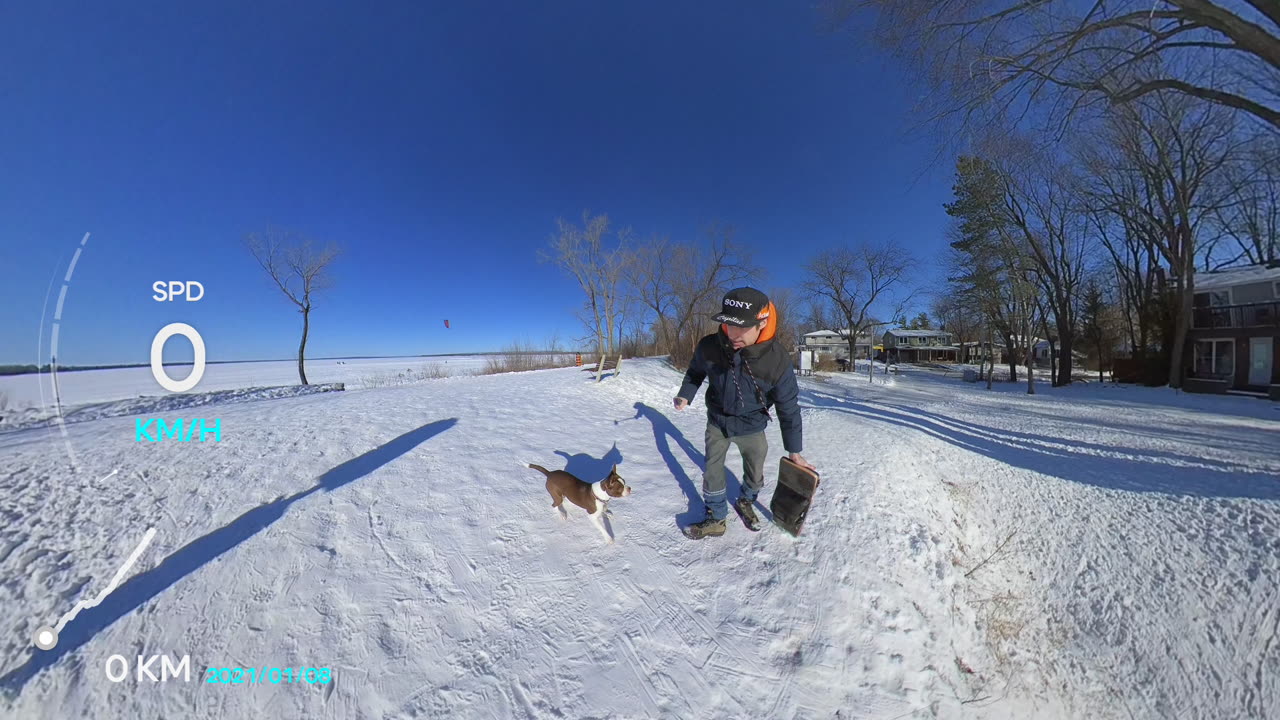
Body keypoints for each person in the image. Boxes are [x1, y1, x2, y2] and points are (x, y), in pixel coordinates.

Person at [673, 287, 816, 539]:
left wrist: (794, 451)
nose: (733, 334)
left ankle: (746, 501)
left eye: (742, 327)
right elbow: (696, 372)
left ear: (761, 323)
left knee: (755, 470)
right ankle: (716, 517)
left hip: (752, 425)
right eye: (729, 325)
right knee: (712, 470)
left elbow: (788, 407)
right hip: (718, 421)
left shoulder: (777, 360)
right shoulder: (710, 346)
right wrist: (686, 393)